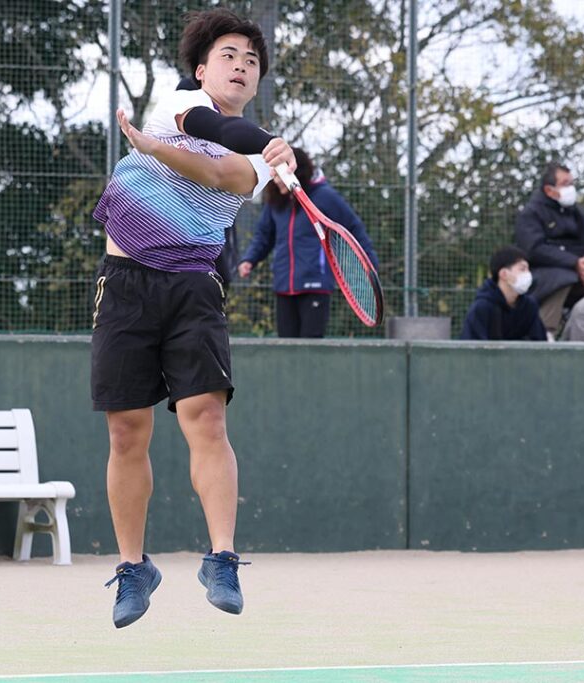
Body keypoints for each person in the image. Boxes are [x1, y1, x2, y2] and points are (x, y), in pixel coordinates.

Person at [90, 8, 296, 628]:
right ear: (202, 70)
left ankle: (222, 558)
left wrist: (257, 150)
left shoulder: (259, 159)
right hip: (125, 283)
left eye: (252, 61)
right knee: (127, 432)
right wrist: (163, 145)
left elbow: (217, 171)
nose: (241, 66)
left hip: (195, 286)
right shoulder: (180, 107)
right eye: (229, 56)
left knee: (205, 417)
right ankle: (134, 568)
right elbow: (207, 129)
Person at [237, 148, 379, 337]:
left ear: (293, 171)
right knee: (286, 345)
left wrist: (369, 265)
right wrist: (250, 259)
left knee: (310, 345)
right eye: (273, 173)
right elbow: (264, 236)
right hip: (283, 286)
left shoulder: (325, 197)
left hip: (315, 285)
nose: (275, 179)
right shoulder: (276, 202)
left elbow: (353, 228)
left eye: (278, 174)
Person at [514, 162, 584, 336]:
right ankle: (546, 332)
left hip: (580, 270)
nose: (571, 188)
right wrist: (574, 262)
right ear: (549, 190)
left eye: (572, 183)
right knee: (562, 280)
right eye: (565, 184)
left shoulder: (576, 212)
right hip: (545, 272)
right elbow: (534, 249)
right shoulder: (531, 213)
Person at [461, 247, 547, 341]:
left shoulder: (529, 306)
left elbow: (539, 341)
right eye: (522, 269)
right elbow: (471, 345)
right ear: (503, 274)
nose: (528, 274)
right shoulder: (482, 307)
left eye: (528, 269)